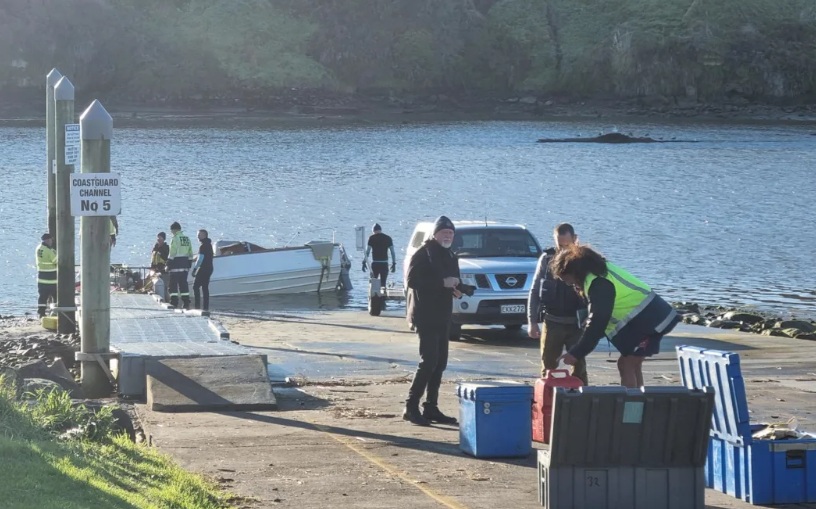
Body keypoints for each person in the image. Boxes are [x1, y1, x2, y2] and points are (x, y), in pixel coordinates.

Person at [551, 245, 680, 388]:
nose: (569, 284)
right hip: (654, 317)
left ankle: (631, 406)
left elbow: (597, 323)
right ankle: (638, 403)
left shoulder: (598, 283)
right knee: (631, 363)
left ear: (575, 272)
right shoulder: (600, 271)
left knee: (627, 364)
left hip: (652, 321)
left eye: (567, 279)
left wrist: (576, 353)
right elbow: (602, 313)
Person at [404, 215, 461, 426]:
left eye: (451, 233)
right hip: (425, 315)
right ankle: (411, 407)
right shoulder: (423, 253)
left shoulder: (450, 255)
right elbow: (412, 281)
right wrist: (442, 283)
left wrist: (460, 289)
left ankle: (431, 407)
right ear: (435, 234)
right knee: (428, 362)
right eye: (444, 232)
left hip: (443, 315)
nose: (448, 236)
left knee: (440, 363)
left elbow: (453, 280)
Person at [527, 223, 588, 384]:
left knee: (579, 367)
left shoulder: (584, 260)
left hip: (577, 324)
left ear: (575, 239)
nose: (563, 249)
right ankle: (547, 402)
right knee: (548, 367)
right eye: (559, 245)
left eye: (566, 245)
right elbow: (534, 291)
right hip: (552, 322)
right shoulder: (547, 259)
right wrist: (532, 322)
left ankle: (580, 400)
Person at [166, 222, 194, 309]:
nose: (171, 232)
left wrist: (168, 264)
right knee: (183, 284)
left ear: (174, 230)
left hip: (175, 264)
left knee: (173, 285)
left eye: (171, 230)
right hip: (185, 264)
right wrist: (189, 263)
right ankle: (186, 302)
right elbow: (190, 252)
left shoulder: (175, 238)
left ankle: (174, 302)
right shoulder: (186, 239)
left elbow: (172, 253)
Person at [362, 223, 396, 288]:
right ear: (380, 230)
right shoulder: (388, 238)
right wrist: (394, 263)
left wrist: (364, 262)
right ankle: (383, 296)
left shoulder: (371, 238)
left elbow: (367, 252)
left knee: (374, 284)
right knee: (383, 284)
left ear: (373, 231)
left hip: (375, 264)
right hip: (384, 264)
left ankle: (374, 296)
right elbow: (392, 252)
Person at [35, 233, 57, 318]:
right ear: (48, 240)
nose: (52, 242)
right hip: (51, 279)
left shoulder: (38, 248)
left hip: (41, 278)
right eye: (51, 240)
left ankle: (41, 313)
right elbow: (56, 261)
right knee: (55, 297)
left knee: (42, 297)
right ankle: (55, 312)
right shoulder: (49, 251)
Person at [192, 229, 214, 311]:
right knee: (205, 287)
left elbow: (200, 259)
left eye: (199, 235)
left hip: (203, 268)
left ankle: (197, 307)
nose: (198, 236)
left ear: (204, 235)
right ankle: (205, 307)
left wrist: (195, 269)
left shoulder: (203, 246)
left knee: (195, 286)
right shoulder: (209, 245)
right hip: (209, 268)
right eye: (197, 235)